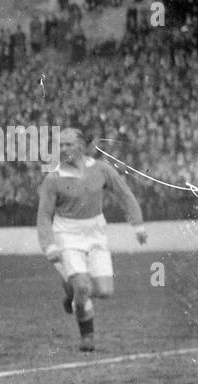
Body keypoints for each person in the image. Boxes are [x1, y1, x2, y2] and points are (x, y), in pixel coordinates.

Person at [37, 129, 147, 351]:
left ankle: (71, 292)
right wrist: (48, 245)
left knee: (104, 291)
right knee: (83, 287)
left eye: (68, 144)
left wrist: (138, 224)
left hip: (95, 233)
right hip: (66, 235)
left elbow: (125, 194)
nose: (63, 149)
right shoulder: (53, 178)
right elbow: (44, 215)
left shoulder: (101, 169)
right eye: (61, 145)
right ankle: (87, 336)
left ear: (80, 145)